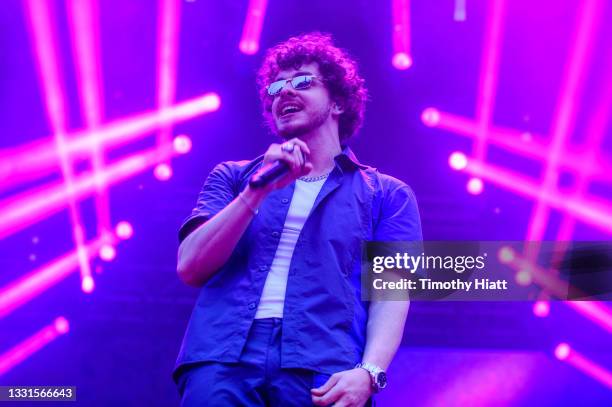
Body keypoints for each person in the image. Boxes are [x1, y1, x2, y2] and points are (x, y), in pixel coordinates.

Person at [174, 32, 422, 406]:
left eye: (303, 81)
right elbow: (190, 266)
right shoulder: (234, 177)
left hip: (324, 365)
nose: (284, 92)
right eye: (276, 85)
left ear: (337, 102)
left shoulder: (387, 194)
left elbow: (392, 294)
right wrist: (256, 192)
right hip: (223, 359)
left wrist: (370, 372)